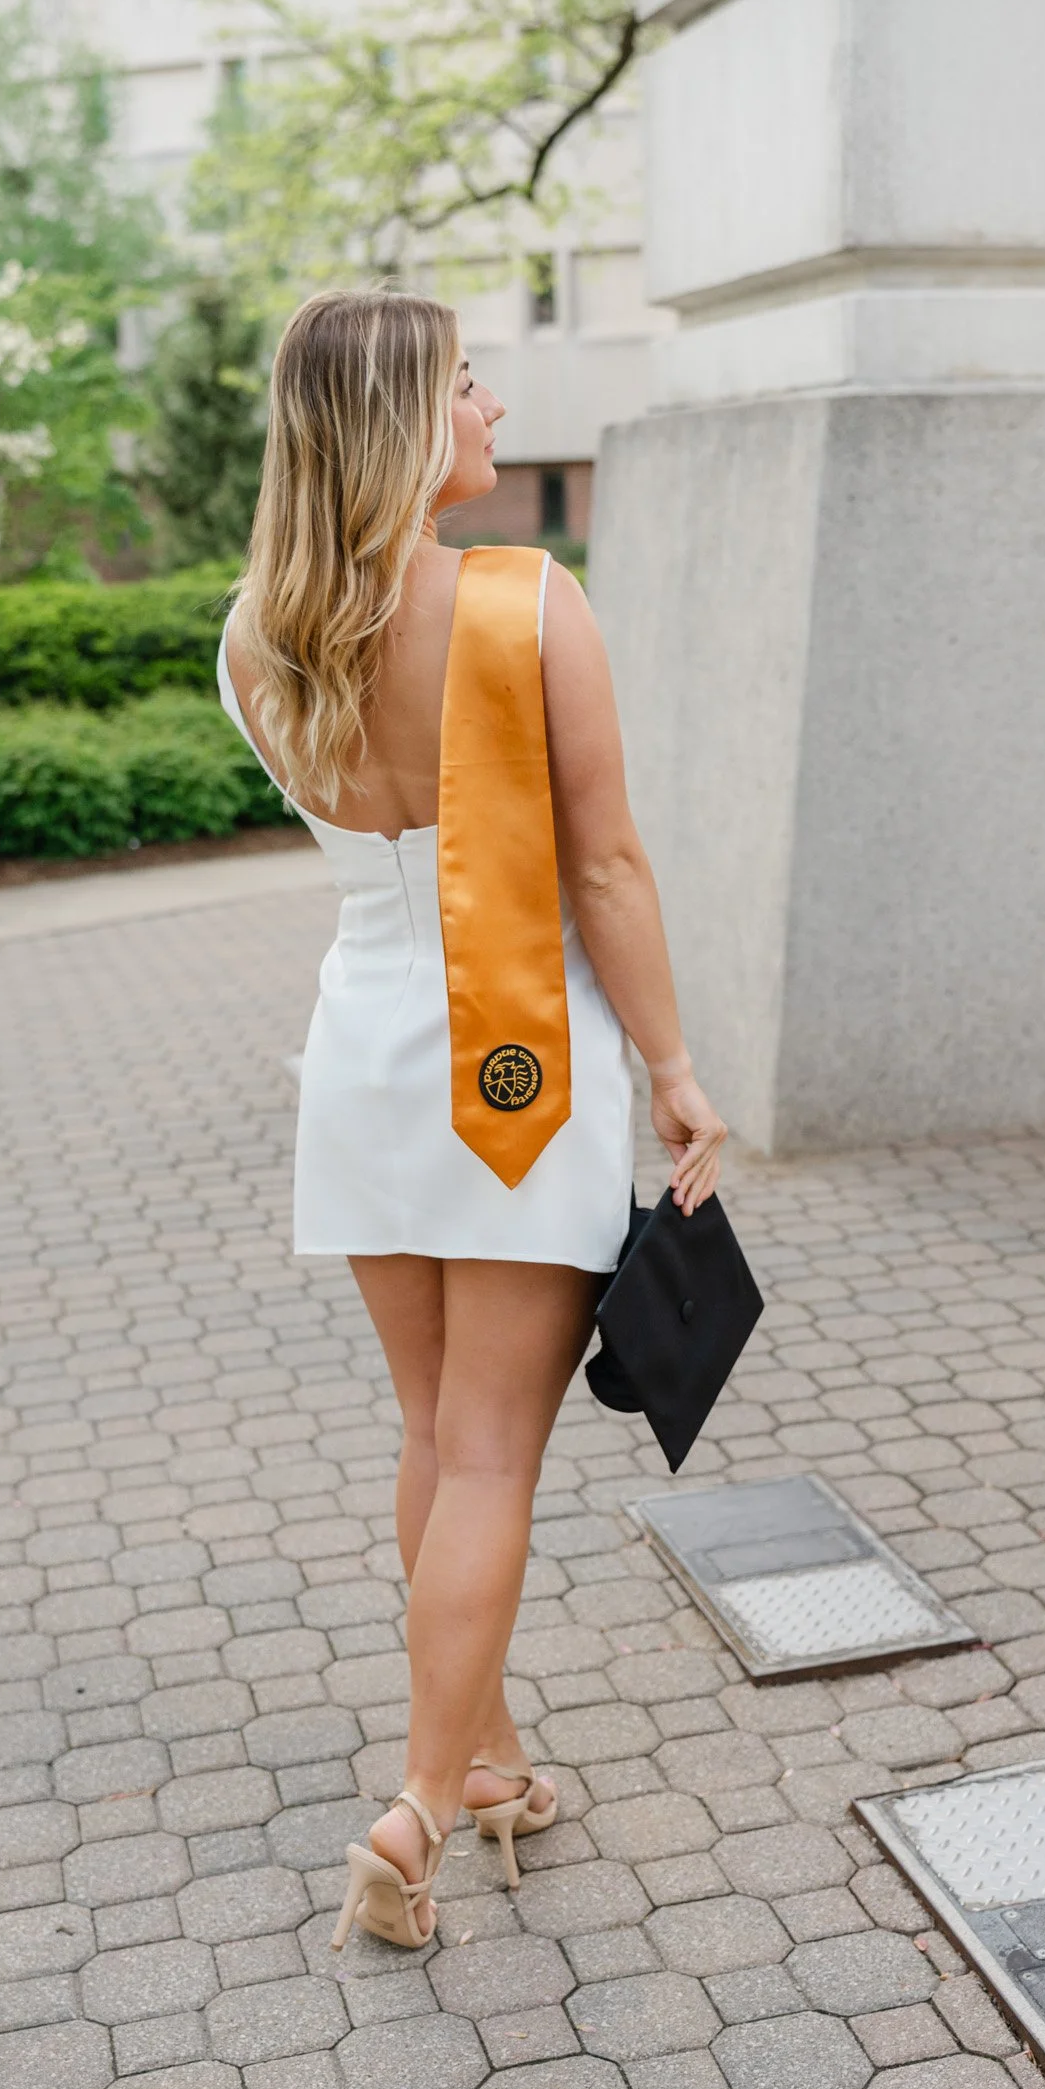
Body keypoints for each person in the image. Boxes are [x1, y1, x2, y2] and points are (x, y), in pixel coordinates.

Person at [218, 287, 726, 1951]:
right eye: (461, 384)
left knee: (438, 1437)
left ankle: (490, 1758)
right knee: (494, 1451)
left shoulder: (255, 636)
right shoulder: (523, 603)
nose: (493, 404)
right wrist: (672, 1068)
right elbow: (603, 867)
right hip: (524, 1061)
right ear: (399, 428)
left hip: (366, 1059)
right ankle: (422, 1805)